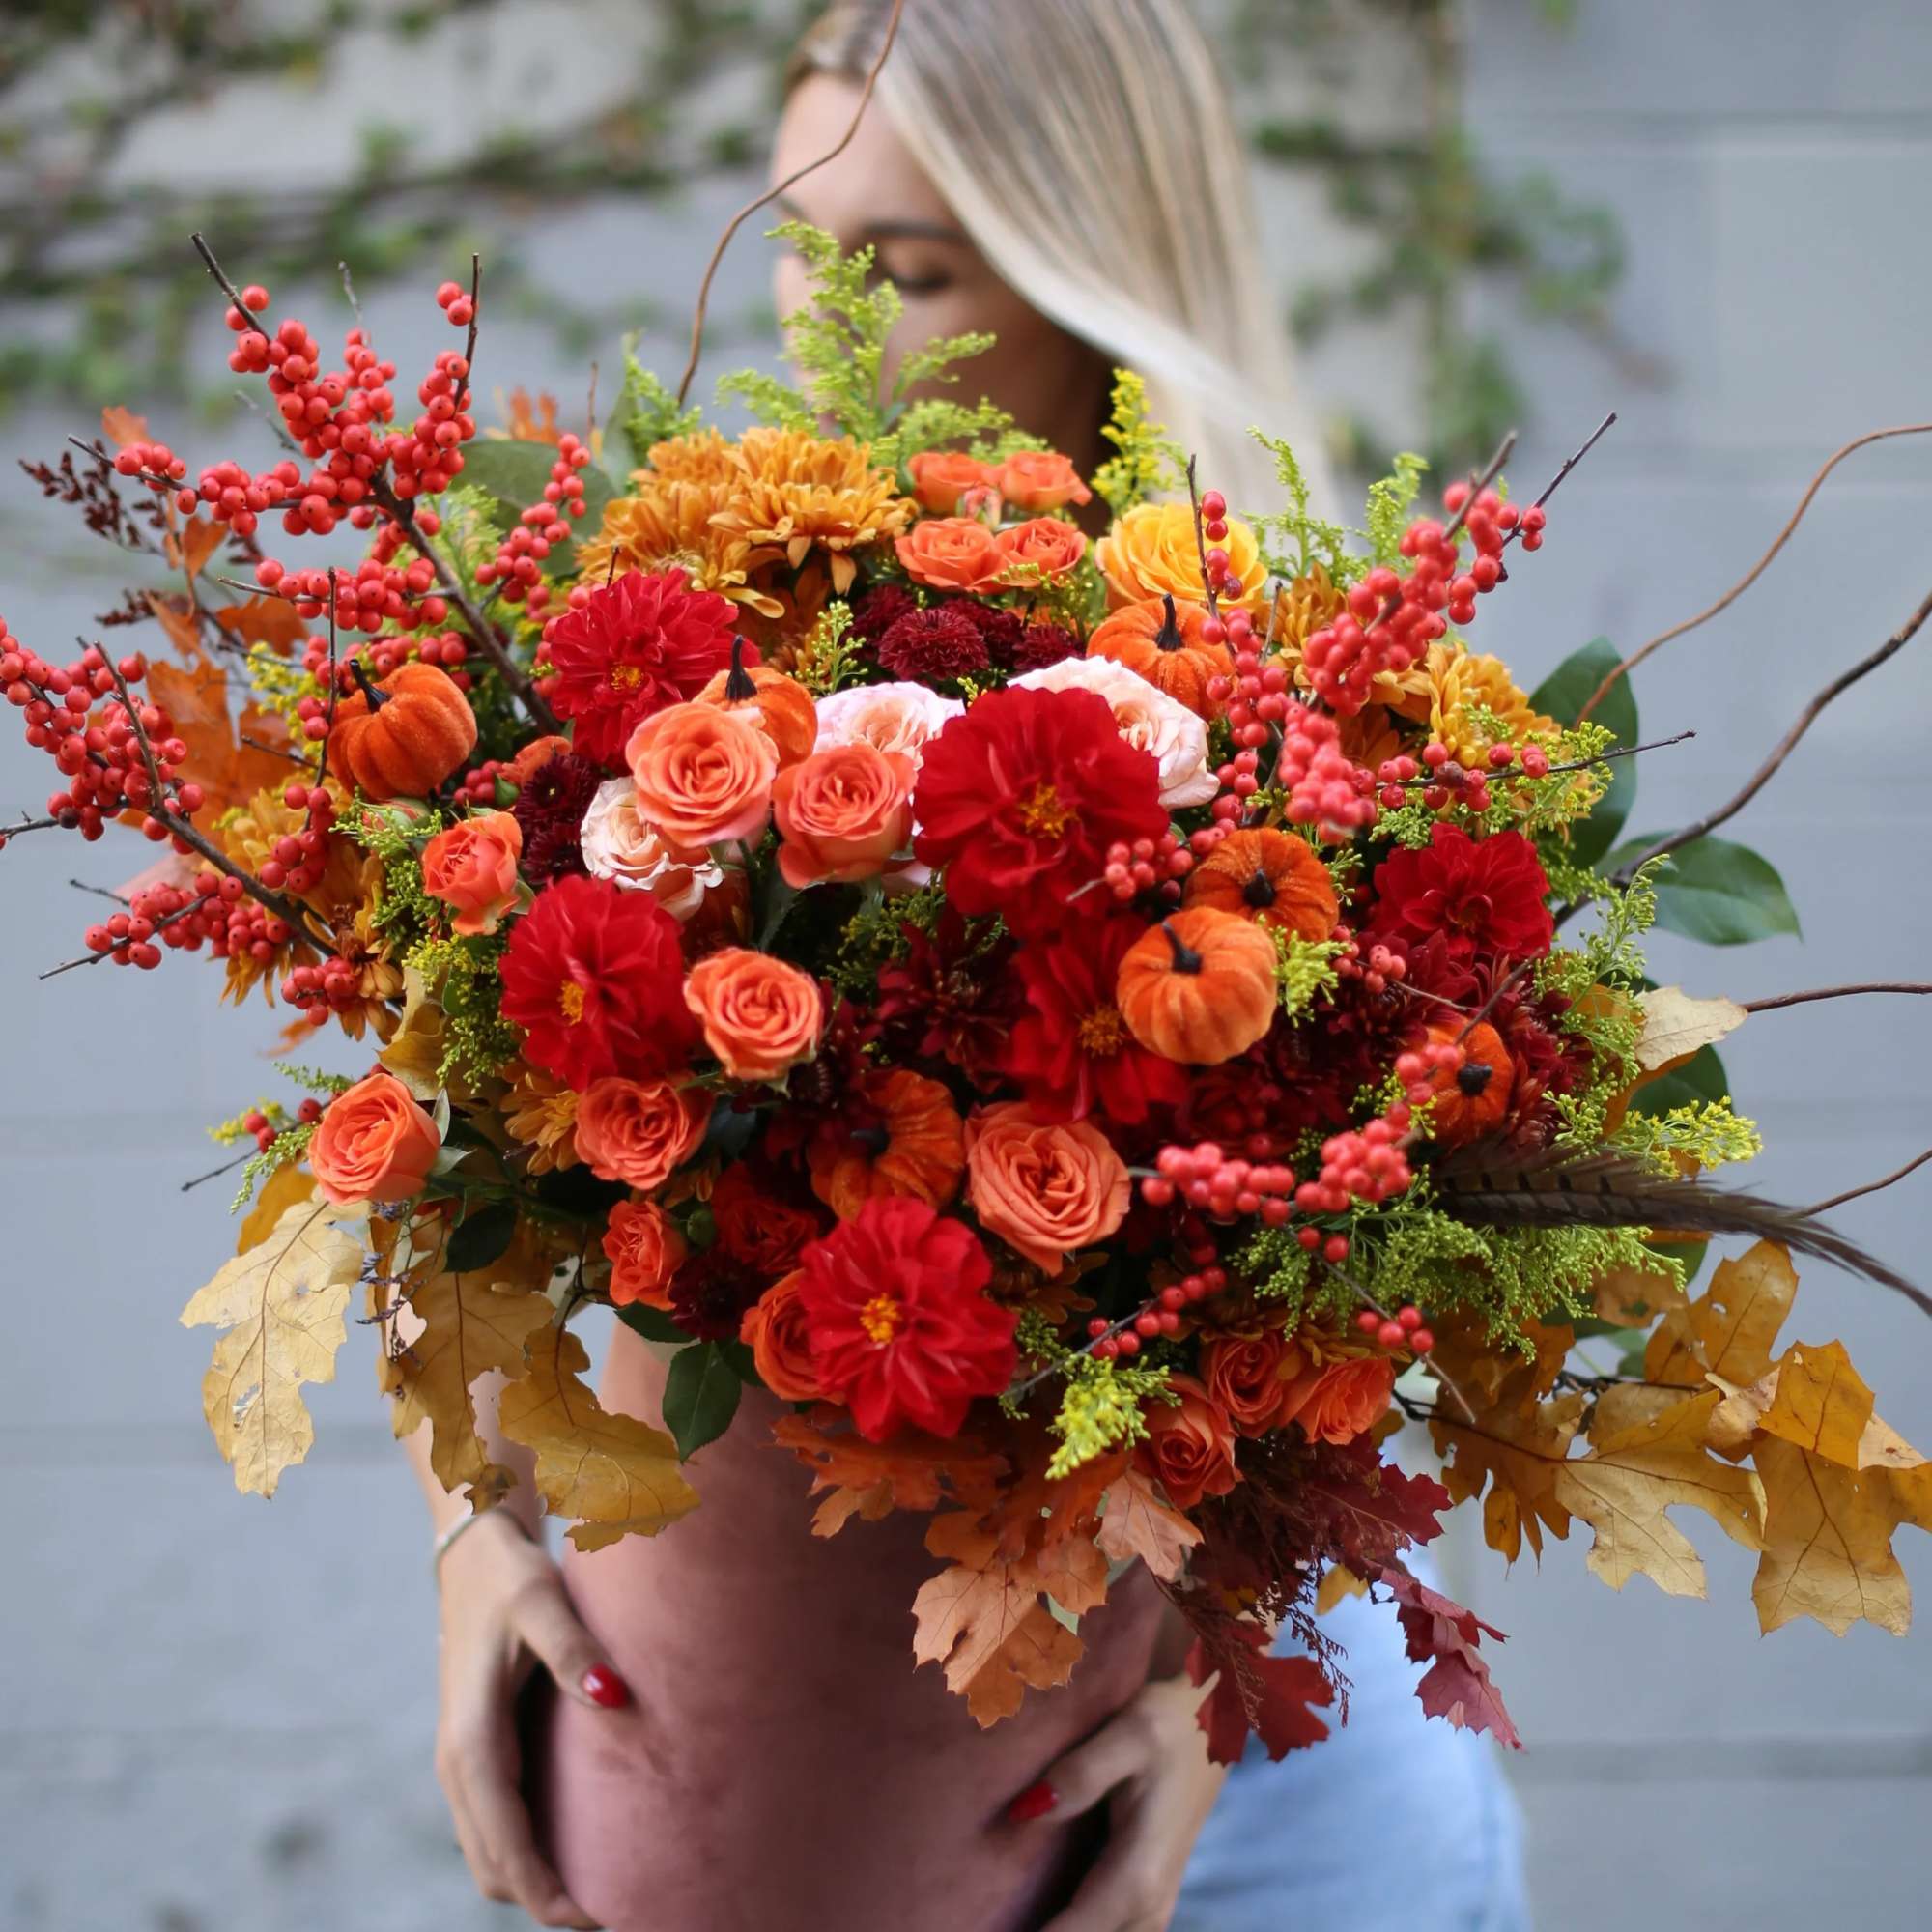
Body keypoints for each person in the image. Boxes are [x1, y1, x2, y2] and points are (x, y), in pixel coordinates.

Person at [412, 3, 1529, 1927]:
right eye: (799, 243)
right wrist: (465, 1542)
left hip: (1237, 1803)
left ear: (1079, 268)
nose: (821, 318)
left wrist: (1217, 1655)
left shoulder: (1301, 713)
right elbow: (465, 1172)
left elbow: (1380, 1289)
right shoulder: (686, 655)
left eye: (906, 268)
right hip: (815, 1781)